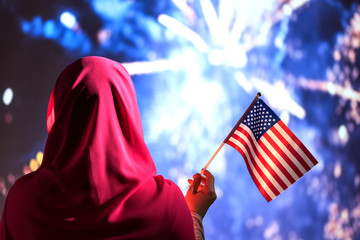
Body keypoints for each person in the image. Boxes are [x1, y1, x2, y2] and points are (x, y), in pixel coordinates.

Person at [0, 56, 216, 240]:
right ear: (127, 112)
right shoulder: (167, 207)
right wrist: (193, 216)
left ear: (60, 113)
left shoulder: (22, 204)